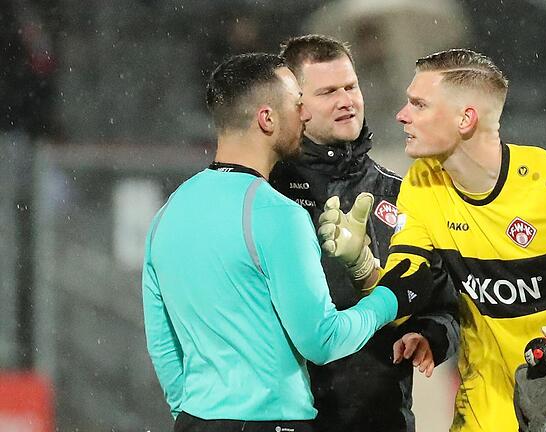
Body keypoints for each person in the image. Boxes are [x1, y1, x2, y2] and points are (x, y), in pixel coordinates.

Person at [318, 49, 546, 431]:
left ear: (466, 118)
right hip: (486, 418)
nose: (402, 114)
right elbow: (407, 287)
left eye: (419, 104)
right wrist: (363, 266)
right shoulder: (422, 184)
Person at [142, 53, 433, 432]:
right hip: (272, 421)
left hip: (197, 421)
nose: (305, 116)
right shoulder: (277, 214)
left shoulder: (167, 214)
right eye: (298, 104)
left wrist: (196, 413)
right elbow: (322, 340)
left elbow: (163, 346)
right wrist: (390, 297)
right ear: (267, 119)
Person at [269, 34, 459, 432]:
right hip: (284, 419)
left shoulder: (400, 195)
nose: (346, 100)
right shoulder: (267, 194)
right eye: (327, 92)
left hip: (380, 418)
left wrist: (431, 335)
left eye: (350, 86)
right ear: (295, 105)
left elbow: (445, 303)